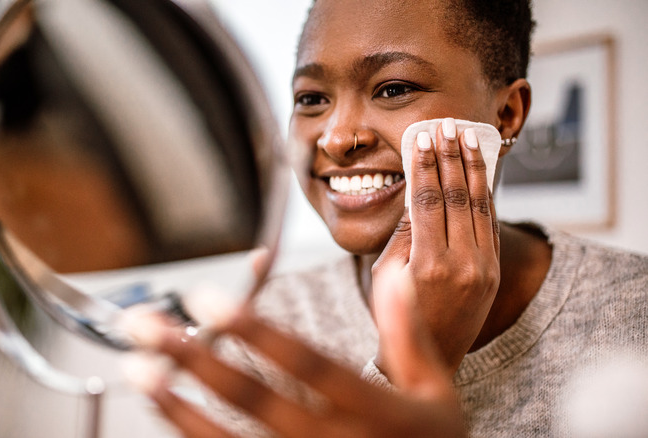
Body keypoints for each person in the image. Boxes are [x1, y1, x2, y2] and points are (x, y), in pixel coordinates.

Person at [125, 0, 648, 436]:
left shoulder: (633, 311)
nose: (335, 137)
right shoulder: (259, 333)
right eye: (311, 99)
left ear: (506, 115)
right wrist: (411, 368)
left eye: (394, 88)